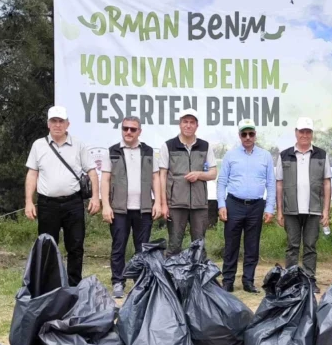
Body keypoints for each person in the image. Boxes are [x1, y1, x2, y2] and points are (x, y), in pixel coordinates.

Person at [24, 106, 101, 286]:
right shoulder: (38, 145)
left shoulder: (79, 145)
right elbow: (32, 174)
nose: (57, 125)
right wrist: (29, 201)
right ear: (48, 124)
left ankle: (74, 285)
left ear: (68, 124)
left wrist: (95, 197)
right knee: (47, 246)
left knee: (75, 246)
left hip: (73, 203)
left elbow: (91, 171)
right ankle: (48, 285)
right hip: (47, 204)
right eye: (54, 121)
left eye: (61, 121)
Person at [101, 116, 162, 299]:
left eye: (132, 129)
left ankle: (140, 282)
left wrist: (157, 202)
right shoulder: (112, 151)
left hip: (143, 209)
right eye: (125, 128)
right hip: (119, 209)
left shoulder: (149, 151)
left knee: (142, 248)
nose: (128, 132)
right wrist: (105, 205)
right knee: (118, 247)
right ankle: (118, 282)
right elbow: (105, 179)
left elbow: (155, 178)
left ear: (139, 132)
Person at [217, 119, 275, 293]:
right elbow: (221, 182)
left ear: (255, 135)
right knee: (231, 245)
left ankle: (248, 281)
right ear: (240, 136)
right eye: (244, 134)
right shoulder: (230, 155)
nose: (248, 137)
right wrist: (221, 205)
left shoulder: (265, 156)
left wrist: (269, 207)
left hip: (256, 206)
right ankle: (228, 281)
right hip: (234, 203)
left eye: (251, 133)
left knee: (252, 246)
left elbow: (270, 184)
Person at [276, 117, 332, 293]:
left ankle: (309, 279)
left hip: (313, 209)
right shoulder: (284, 155)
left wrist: (325, 210)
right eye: (302, 132)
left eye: (308, 132)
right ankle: (291, 281)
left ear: (312, 134)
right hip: (291, 210)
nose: (305, 135)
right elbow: (279, 184)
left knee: (310, 246)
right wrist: (279, 211)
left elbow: (326, 183)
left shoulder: (321, 155)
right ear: (296, 132)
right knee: (292, 246)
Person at [158, 108, 217, 255]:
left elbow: (213, 173)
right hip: (175, 204)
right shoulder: (168, 146)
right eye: (185, 122)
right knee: (174, 246)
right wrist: (164, 204)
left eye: (192, 122)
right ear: (180, 124)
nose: (188, 125)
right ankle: (172, 277)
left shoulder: (205, 146)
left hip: (199, 205)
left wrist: (199, 175)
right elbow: (162, 175)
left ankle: (198, 277)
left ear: (197, 125)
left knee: (199, 246)